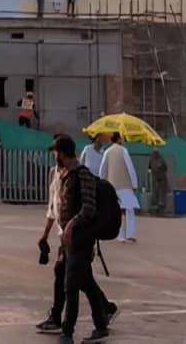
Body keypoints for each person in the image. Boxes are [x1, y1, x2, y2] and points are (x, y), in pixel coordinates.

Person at [36, 136, 118, 335]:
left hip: (81, 238)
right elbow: (56, 209)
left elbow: (88, 209)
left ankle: (70, 329)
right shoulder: (63, 175)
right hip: (68, 239)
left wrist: (72, 224)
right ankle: (99, 320)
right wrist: (50, 234)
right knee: (79, 280)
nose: (55, 156)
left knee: (72, 284)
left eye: (56, 152)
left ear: (63, 153)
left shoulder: (83, 175)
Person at [100, 131, 139, 242]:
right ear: (118, 139)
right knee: (129, 210)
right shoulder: (124, 151)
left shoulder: (107, 152)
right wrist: (134, 183)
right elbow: (130, 168)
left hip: (112, 185)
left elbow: (102, 169)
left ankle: (120, 235)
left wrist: (102, 182)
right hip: (125, 184)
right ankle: (130, 234)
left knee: (117, 211)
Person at [147, 149, 169, 215]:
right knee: (155, 192)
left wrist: (160, 170)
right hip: (154, 178)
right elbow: (149, 168)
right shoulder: (151, 160)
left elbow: (166, 167)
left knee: (161, 193)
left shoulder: (161, 159)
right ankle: (155, 207)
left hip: (161, 178)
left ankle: (161, 208)